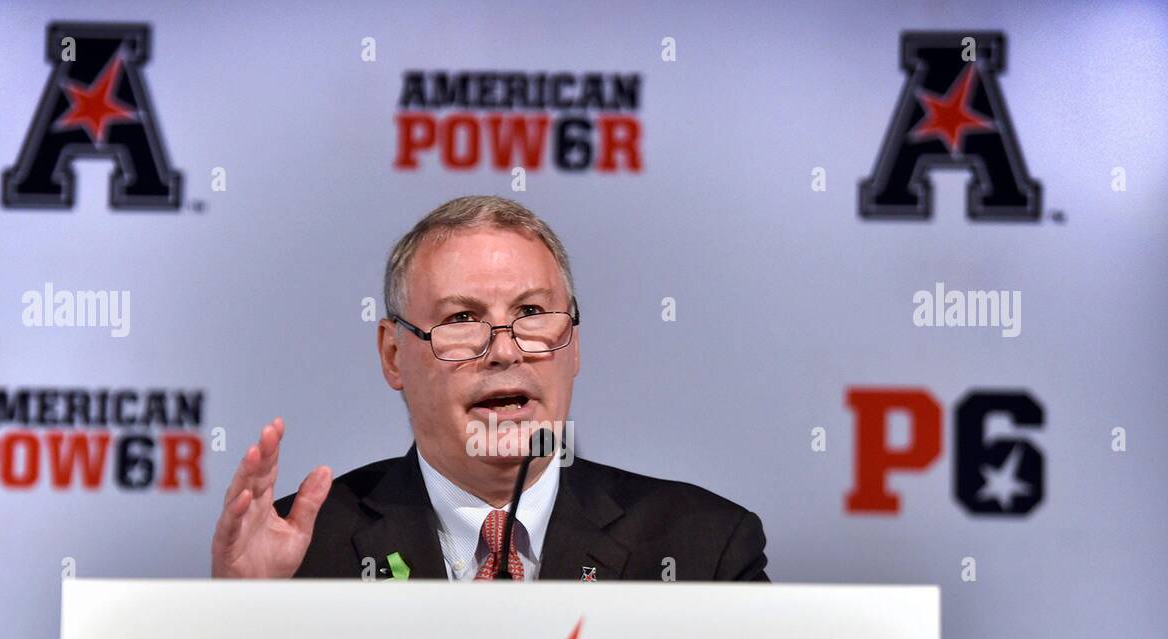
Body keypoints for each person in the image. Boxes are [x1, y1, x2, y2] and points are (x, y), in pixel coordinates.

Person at [211, 195, 768, 582]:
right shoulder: (305, 554)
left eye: (531, 312)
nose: (504, 350)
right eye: (461, 319)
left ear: (573, 345)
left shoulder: (702, 546)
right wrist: (241, 617)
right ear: (392, 355)